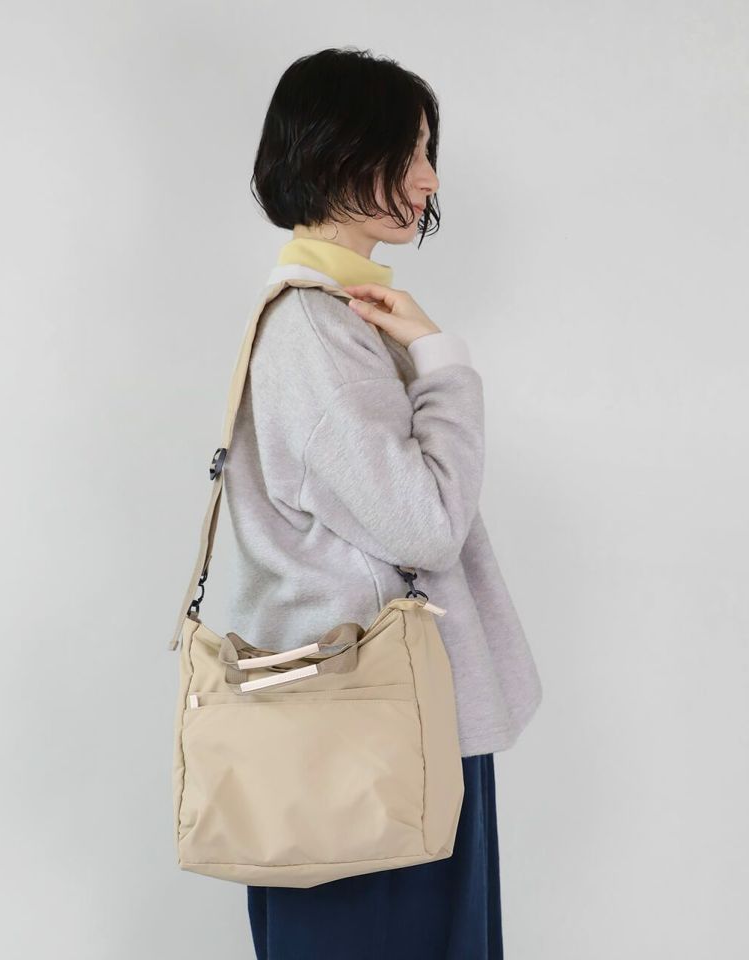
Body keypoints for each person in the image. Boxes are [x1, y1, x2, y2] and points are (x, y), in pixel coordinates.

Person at [225, 46, 543, 959]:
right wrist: (444, 364)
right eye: (410, 154)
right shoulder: (316, 332)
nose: (430, 180)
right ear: (338, 153)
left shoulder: (336, 317)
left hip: (375, 721)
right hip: (374, 730)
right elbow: (426, 526)